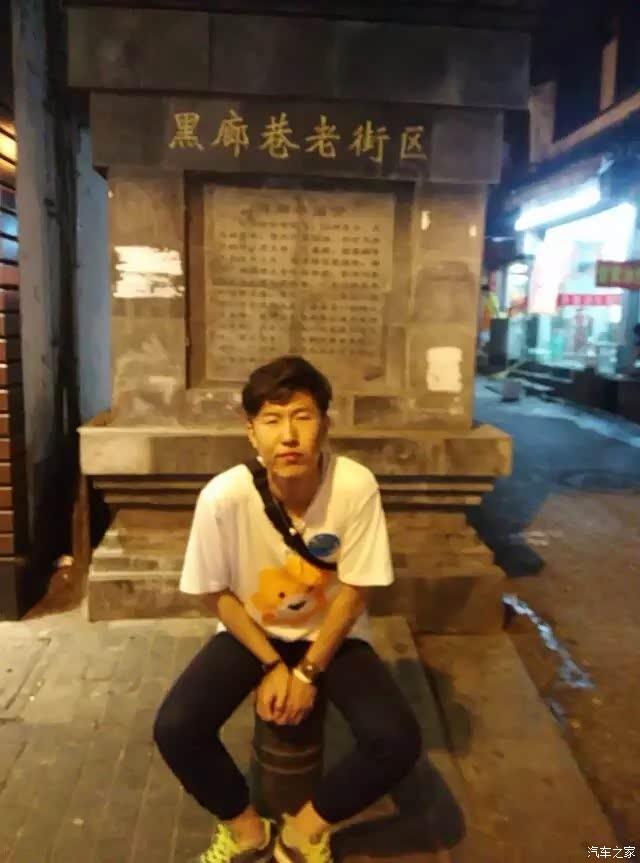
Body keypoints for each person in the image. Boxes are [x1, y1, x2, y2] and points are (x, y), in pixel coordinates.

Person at [154, 355, 422, 863]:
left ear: (325, 424)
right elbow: (215, 594)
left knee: (396, 739)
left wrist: (307, 673)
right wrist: (273, 665)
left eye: (303, 416)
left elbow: (356, 590)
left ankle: (304, 831)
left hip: (332, 632)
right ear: (251, 432)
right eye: (272, 420)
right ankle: (245, 829)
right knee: (176, 728)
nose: (289, 436)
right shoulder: (223, 498)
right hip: (253, 631)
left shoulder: (354, 486)